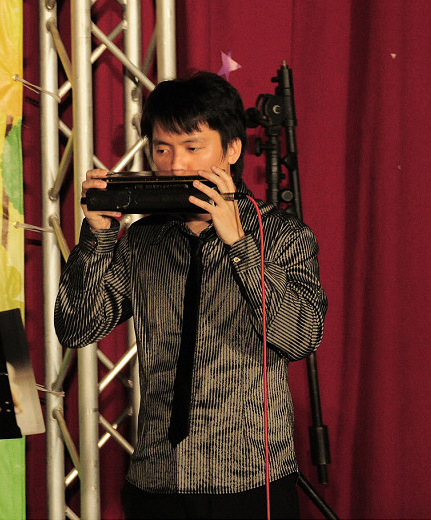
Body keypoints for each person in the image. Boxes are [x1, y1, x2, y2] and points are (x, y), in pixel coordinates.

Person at [54, 72, 327, 519]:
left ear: (232, 150)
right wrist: (98, 236)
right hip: (156, 477)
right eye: (163, 149)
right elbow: (77, 327)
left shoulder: (282, 235)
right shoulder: (143, 239)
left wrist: (240, 245)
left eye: (192, 147)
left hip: (248, 480)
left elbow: (300, 338)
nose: (176, 165)